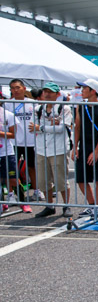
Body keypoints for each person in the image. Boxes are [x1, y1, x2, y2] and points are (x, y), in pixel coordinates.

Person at [31, 83, 73, 218]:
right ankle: (49, 206)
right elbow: (32, 127)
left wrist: (42, 127)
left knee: (61, 180)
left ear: (57, 94)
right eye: (46, 91)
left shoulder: (64, 108)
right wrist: (49, 126)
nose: (48, 94)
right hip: (41, 148)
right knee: (44, 180)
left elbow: (61, 128)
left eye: (51, 92)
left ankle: (66, 205)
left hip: (59, 149)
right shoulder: (38, 109)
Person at [73, 79, 98, 218]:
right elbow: (77, 127)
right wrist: (75, 147)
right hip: (83, 145)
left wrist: (96, 150)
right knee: (81, 178)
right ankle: (92, 204)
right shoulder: (81, 106)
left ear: (93, 91)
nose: (81, 91)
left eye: (84, 88)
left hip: (97, 145)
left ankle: (96, 207)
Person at [7, 79, 36, 212]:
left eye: (18, 87)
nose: (15, 90)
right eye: (13, 88)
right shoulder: (7, 104)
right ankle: (12, 194)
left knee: (32, 167)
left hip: (30, 141)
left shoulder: (33, 103)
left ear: (24, 88)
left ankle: (36, 191)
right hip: (14, 142)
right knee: (12, 170)